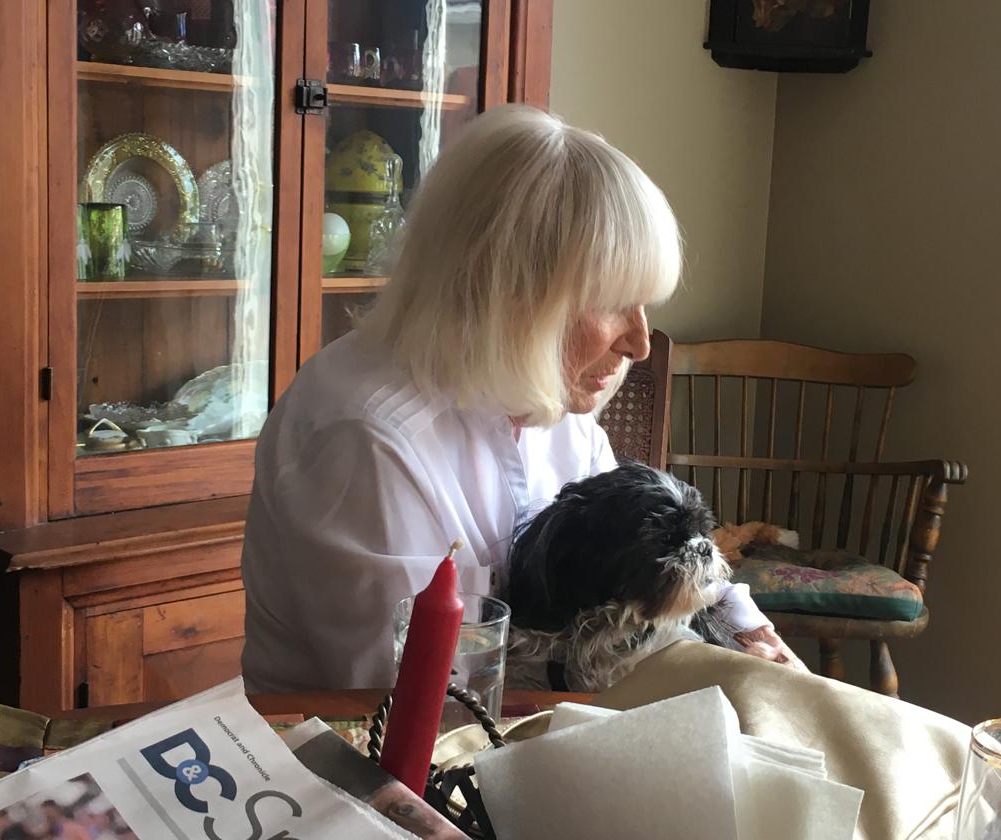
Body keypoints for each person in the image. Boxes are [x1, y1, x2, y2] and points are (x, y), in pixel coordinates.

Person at [241, 105, 801, 692]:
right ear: (508, 291)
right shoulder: (367, 437)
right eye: (612, 303)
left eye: (645, 304)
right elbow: (417, 698)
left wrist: (748, 636)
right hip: (374, 739)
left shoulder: (548, 397)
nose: (640, 343)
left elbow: (631, 560)